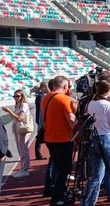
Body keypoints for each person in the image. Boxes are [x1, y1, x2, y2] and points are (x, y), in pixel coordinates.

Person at [82, 81, 110, 206]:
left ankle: (88, 202)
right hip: (107, 138)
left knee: (96, 174)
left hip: (94, 138)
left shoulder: (91, 103)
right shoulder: (108, 105)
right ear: (109, 90)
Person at [41, 76, 78, 206]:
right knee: (65, 168)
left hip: (50, 137)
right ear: (65, 86)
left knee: (58, 166)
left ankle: (59, 191)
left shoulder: (46, 97)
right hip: (63, 138)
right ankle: (57, 196)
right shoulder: (64, 99)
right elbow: (71, 120)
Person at [1, 89, 32, 178]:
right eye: (14, 96)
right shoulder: (18, 105)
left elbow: (19, 118)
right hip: (17, 128)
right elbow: (14, 118)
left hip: (22, 128)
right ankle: (23, 167)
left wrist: (9, 111)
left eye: (17, 96)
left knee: (23, 149)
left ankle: (25, 169)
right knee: (20, 148)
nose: (16, 98)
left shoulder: (24, 105)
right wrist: (10, 112)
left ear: (22, 96)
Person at [34, 81, 49, 160]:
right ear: (43, 87)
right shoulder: (40, 96)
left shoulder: (42, 96)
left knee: (41, 135)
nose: (48, 88)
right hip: (41, 119)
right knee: (40, 135)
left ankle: (38, 153)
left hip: (41, 119)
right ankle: (38, 153)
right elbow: (41, 109)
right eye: (47, 87)